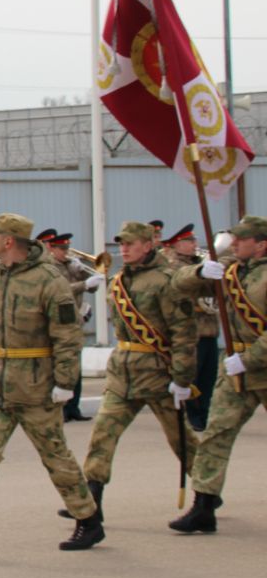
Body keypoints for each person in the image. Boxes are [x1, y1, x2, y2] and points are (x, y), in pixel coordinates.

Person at [0, 213, 101, 557]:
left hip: (36, 385)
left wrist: (65, 382)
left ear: (9, 241)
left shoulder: (49, 279)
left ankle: (88, 520)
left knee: (54, 456)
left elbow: (67, 335)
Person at [67, 221, 196, 524]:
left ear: (147, 246)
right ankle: (92, 502)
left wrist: (182, 378)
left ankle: (207, 493)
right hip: (122, 374)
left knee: (181, 440)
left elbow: (183, 333)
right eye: (122, 244)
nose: (123, 249)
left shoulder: (167, 281)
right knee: (102, 435)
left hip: (157, 374)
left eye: (130, 244)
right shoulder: (120, 280)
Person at [168, 215, 267, 534]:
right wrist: (200, 271)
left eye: (242, 239)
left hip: (254, 362)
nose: (234, 243)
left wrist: (248, 359)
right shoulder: (230, 270)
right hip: (237, 369)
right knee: (215, 434)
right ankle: (204, 506)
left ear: (261, 245)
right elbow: (177, 285)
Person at [161, 223, 220, 431]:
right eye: (189, 241)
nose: (194, 244)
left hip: (210, 329)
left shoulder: (199, 263)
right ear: (176, 244)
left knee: (208, 377)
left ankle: (204, 413)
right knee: (191, 375)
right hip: (191, 330)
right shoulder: (173, 266)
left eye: (194, 240)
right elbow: (181, 286)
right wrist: (201, 271)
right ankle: (192, 415)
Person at [43, 230, 105, 421]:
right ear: (51, 249)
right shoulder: (48, 266)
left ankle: (73, 408)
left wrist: (85, 273)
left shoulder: (70, 265)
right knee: (61, 366)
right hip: (58, 323)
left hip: (75, 322)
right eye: (62, 249)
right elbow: (59, 291)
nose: (66, 252)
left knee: (76, 367)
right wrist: (84, 284)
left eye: (67, 248)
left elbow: (92, 288)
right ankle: (60, 409)